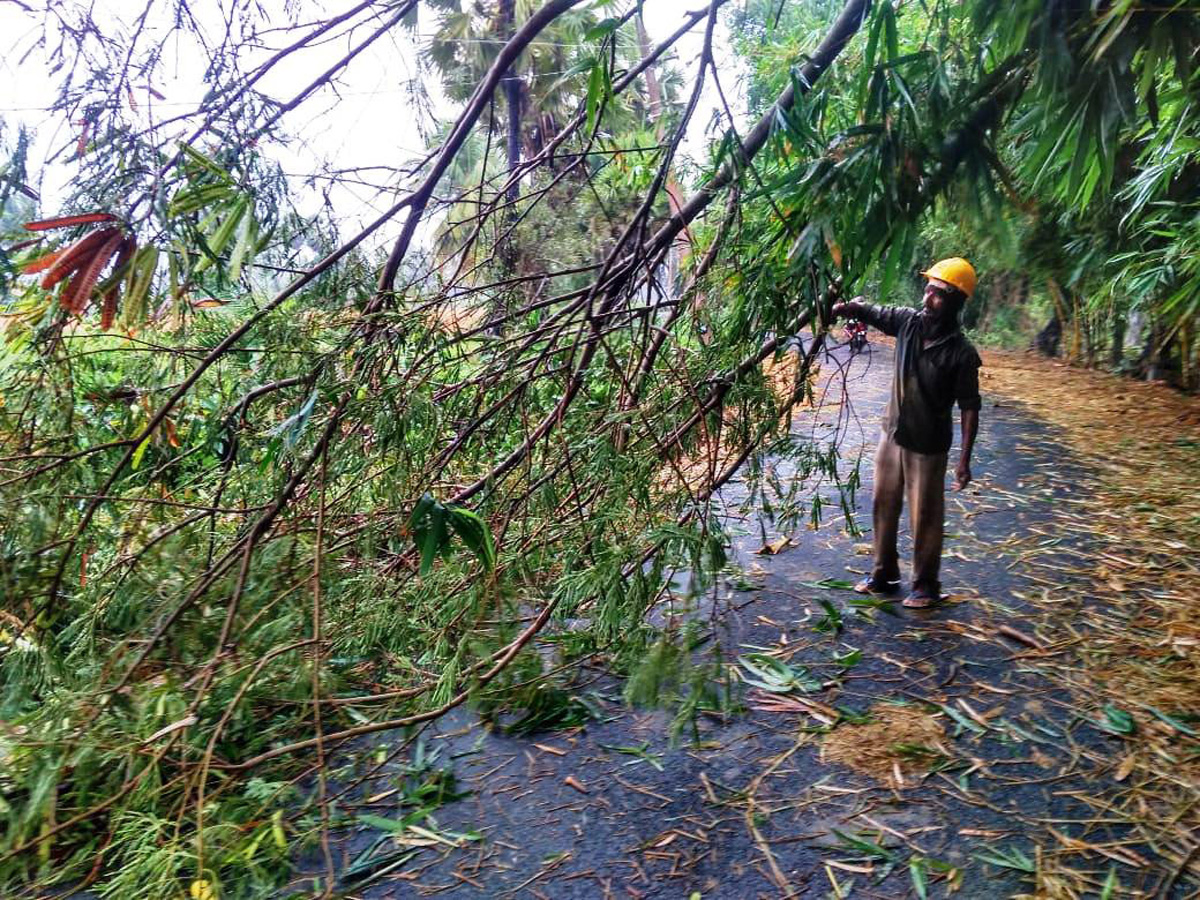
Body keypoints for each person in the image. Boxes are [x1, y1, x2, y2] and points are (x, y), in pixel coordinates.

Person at [830, 258, 982, 608]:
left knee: (925, 515)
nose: (928, 298)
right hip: (892, 434)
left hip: (928, 446)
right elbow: (873, 312)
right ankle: (884, 572)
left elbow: (970, 406)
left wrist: (964, 461)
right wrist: (844, 307)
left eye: (939, 294)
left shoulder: (961, 353)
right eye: (927, 289)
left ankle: (926, 584)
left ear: (957, 302)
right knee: (883, 502)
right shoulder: (908, 323)